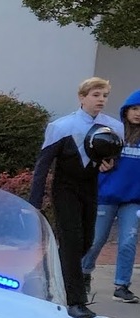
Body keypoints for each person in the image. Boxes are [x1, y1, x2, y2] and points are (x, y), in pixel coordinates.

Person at [29, 77, 124, 318]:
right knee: (71, 240)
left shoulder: (112, 126)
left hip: (89, 187)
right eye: (95, 95)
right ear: (82, 97)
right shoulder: (62, 126)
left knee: (86, 241)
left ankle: (44, 276)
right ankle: (75, 301)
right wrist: (34, 202)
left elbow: (113, 160)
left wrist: (109, 165)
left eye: (104, 95)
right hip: (65, 188)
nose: (101, 100)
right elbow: (43, 165)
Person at [81, 90, 140, 304]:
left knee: (128, 242)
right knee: (96, 240)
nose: (138, 113)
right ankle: (84, 273)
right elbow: (93, 158)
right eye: (134, 109)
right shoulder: (114, 133)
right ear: (126, 111)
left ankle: (122, 286)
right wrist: (100, 166)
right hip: (106, 196)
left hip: (134, 200)